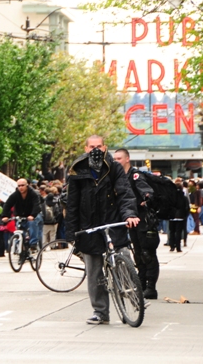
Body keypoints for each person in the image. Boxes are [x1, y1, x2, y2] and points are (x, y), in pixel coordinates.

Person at [65, 135, 139, 325]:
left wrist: (129, 214)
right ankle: (100, 312)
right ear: (86, 148)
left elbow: (124, 193)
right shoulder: (77, 170)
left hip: (112, 222)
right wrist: (72, 233)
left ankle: (134, 296)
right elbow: (72, 204)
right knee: (94, 272)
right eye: (92, 146)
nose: (95, 150)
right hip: (89, 227)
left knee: (123, 255)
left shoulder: (114, 167)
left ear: (105, 148)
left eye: (99, 146)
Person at [114, 148, 160, 299]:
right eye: (115, 159)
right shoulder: (120, 177)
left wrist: (146, 198)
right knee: (138, 254)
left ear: (127, 159)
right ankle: (141, 283)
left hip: (144, 222)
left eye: (119, 158)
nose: (116, 161)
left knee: (148, 255)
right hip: (132, 222)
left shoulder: (135, 175)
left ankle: (151, 287)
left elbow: (147, 191)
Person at [0, 178, 41, 249]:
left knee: (33, 223)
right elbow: (7, 204)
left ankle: (33, 243)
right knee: (19, 229)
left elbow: (36, 205)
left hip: (32, 215)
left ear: (27, 185)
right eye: (19, 186)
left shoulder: (33, 193)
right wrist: (5, 216)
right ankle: (20, 249)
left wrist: (32, 215)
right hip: (20, 215)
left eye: (22, 185)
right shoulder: (15, 194)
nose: (21, 187)